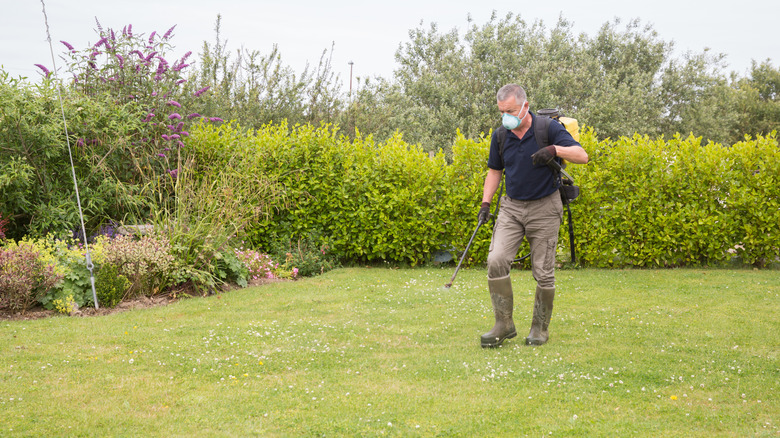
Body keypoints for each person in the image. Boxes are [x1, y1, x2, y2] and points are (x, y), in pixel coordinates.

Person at [478, 84, 588, 348]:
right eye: (502, 111)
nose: (506, 116)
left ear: (525, 106)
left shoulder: (548, 129)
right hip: (512, 208)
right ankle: (503, 324)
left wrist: (555, 150)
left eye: (511, 111)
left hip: (545, 208)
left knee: (543, 272)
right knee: (496, 259)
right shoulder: (500, 136)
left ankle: (539, 328)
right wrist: (485, 203)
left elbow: (582, 156)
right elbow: (495, 171)